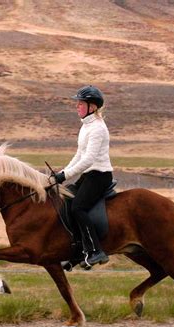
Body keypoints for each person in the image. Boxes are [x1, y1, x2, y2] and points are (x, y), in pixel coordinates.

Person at [54, 85, 113, 269]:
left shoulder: (98, 129)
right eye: (77, 103)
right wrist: (62, 173)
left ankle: (96, 251)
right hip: (89, 176)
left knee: (78, 208)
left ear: (93, 107)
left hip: (100, 176)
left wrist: (65, 175)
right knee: (67, 201)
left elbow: (88, 160)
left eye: (81, 103)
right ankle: (79, 251)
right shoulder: (86, 126)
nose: (77, 106)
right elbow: (79, 155)